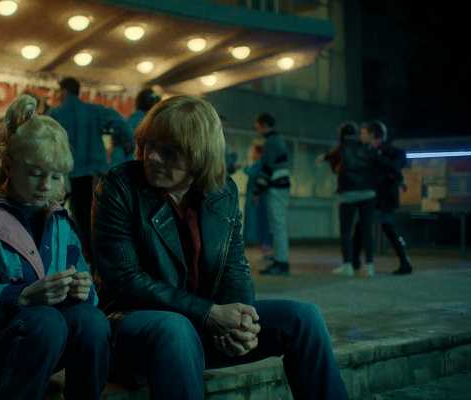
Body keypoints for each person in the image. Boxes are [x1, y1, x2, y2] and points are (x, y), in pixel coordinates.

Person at [92, 96, 347, 400]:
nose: (153, 157)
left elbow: (234, 266)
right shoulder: (119, 186)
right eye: (148, 145)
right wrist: (209, 313)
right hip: (132, 328)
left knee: (303, 318)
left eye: (169, 151)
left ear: (199, 155)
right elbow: (125, 279)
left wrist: (242, 324)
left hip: (200, 326)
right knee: (175, 328)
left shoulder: (222, 192)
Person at [0, 95, 110, 400]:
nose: (46, 185)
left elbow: (86, 289)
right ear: (9, 165)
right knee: (46, 321)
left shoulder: (60, 220)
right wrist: (20, 295)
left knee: (93, 321)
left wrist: (85, 290)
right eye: (35, 173)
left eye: (55, 176)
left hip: (43, 343)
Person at [49, 77, 131, 260]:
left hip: (69, 176)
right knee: (99, 219)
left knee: (72, 219)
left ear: (64, 91)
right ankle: (100, 261)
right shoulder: (94, 111)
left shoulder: (56, 114)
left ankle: (84, 260)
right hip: (96, 174)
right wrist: (126, 145)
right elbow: (121, 123)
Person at [354, 121, 413, 275]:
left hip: (385, 197)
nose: (361, 136)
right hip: (372, 196)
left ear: (373, 135)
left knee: (387, 228)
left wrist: (377, 156)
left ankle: (404, 261)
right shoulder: (367, 151)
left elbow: (395, 167)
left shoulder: (394, 152)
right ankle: (354, 261)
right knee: (363, 226)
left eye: (364, 133)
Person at [329, 121, 385, 277]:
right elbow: (379, 166)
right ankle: (370, 266)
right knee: (367, 230)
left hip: (348, 194)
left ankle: (347, 266)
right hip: (368, 193)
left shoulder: (341, 147)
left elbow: (334, 166)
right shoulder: (369, 147)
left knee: (346, 231)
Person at [249, 112, 291, 275]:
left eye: (258, 126)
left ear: (264, 125)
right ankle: (280, 259)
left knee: (278, 225)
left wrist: (256, 191)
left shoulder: (272, 142)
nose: (257, 129)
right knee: (277, 225)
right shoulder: (277, 140)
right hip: (281, 186)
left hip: (277, 187)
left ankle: (281, 263)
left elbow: (267, 168)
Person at [119, 88, 159, 167]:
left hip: (131, 163)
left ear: (138, 102)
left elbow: (127, 144)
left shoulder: (134, 119)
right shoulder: (157, 120)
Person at [243, 145, 272, 256]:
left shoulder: (260, 164)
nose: (251, 154)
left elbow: (251, 172)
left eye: (253, 152)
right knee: (257, 221)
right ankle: (262, 244)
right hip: (255, 196)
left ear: (258, 153)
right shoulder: (257, 164)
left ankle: (264, 244)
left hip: (258, 197)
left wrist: (256, 194)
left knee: (261, 221)